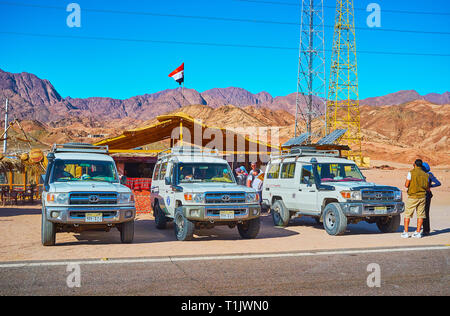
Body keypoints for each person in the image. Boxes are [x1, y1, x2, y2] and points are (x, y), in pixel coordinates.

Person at [402, 159, 430, 239]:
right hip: (422, 197)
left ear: (415, 164)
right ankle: (418, 232)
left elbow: (406, 185)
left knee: (408, 214)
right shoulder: (426, 174)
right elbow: (427, 187)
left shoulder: (411, 172)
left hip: (413, 196)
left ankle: (406, 232)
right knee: (420, 215)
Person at [421, 162, 441, 236]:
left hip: (423, 195)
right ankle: (426, 230)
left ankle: (425, 230)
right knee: (426, 213)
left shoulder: (423, 174)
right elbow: (438, 183)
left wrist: (429, 187)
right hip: (428, 195)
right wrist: (430, 186)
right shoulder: (430, 174)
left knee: (422, 213)